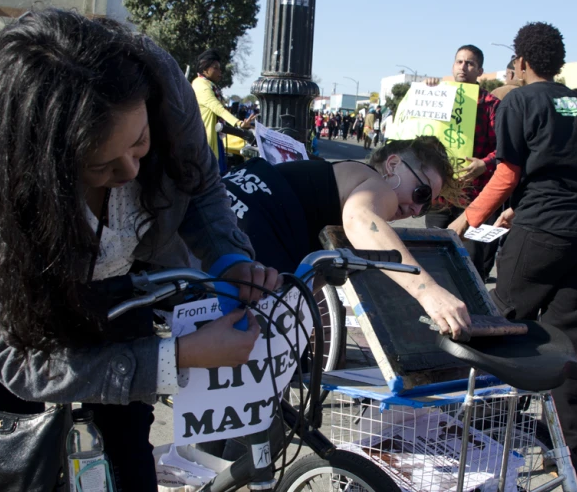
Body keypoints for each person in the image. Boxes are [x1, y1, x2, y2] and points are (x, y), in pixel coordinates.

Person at [0, 9, 279, 490]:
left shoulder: (161, 84)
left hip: (121, 295)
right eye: (102, 166)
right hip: (17, 318)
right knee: (15, 463)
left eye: (141, 143)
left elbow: (201, 184)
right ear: (43, 167)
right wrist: (178, 357)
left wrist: (229, 259)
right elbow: (18, 361)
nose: (130, 171)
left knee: (128, 457)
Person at [450, 22, 577, 491]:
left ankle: (479, 437)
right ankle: (569, 455)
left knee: (501, 325)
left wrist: (465, 220)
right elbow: (571, 166)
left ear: (520, 61)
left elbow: (508, 172)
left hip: (542, 230)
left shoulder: (517, 100)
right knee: (571, 343)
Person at [223, 136, 471, 338]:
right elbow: (360, 219)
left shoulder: (344, 179)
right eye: (421, 193)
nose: (416, 210)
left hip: (226, 210)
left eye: (426, 206)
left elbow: (304, 284)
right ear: (393, 165)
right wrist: (428, 291)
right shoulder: (377, 185)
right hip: (250, 224)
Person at [425, 45, 501, 283]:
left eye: (469, 63)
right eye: (459, 62)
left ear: (480, 70)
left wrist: (485, 164)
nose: (463, 67)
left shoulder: (492, 105)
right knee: (431, 253)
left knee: (470, 260)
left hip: (475, 194)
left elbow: (505, 148)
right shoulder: (438, 95)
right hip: (441, 192)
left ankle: (473, 312)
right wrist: (427, 93)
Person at [192, 49, 255, 172]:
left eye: (220, 68)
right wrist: (239, 123)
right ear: (205, 68)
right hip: (206, 140)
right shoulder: (201, 86)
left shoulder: (208, 84)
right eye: (215, 68)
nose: (220, 72)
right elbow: (218, 109)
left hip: (214, 138)